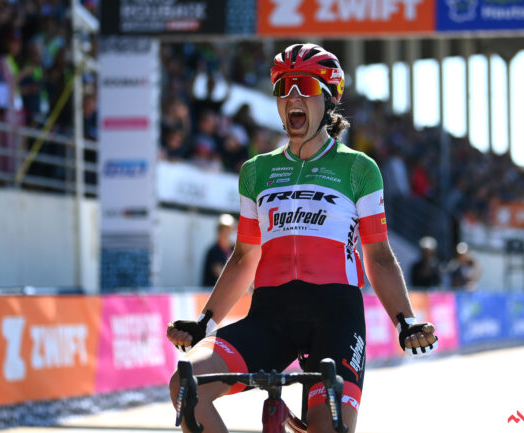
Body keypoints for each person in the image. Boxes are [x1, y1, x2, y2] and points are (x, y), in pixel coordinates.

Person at [167, 43, 438, 433]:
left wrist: (406, 322)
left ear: (328, 101)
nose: (292, 98)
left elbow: (378, 257)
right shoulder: (256, 171)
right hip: (269, 317)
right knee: (185, 386)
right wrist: (205, 323)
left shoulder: (359, 168)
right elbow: (245, 257)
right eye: (284, 88)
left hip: (336, 318)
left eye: (305, 88)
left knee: (326, 427)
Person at [201, 214, 236, 287]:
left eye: (230, 229)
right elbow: (221, 274)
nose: (227, 232)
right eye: (223, 229)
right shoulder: (213, 251)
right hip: (212, 294)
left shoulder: (234, 250)